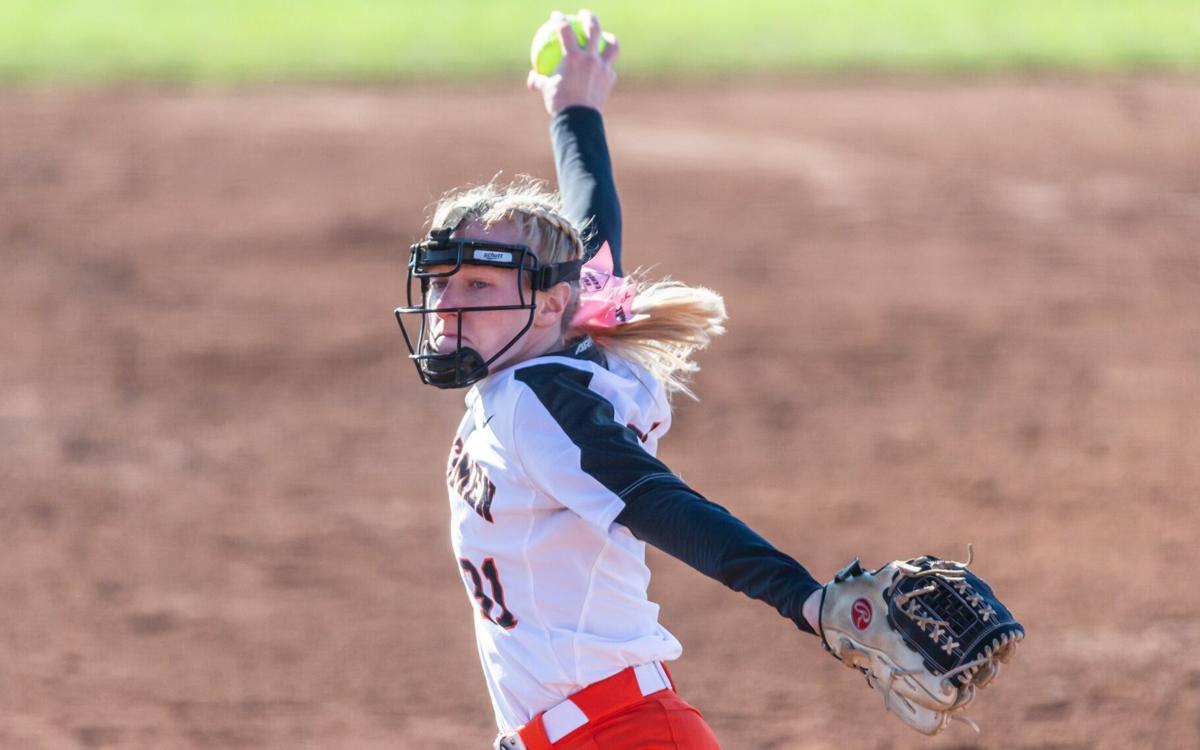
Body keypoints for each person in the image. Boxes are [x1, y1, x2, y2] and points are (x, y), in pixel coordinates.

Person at [395, 11, 826, 749]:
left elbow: (657, 502)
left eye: (476, 287)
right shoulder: (572, 337)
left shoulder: (533, 403)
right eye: (441, 284)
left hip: (620, 735)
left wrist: (805, 600)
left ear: (549, 304)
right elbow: (592, 218)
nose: (447, 308)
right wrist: (574, 107)